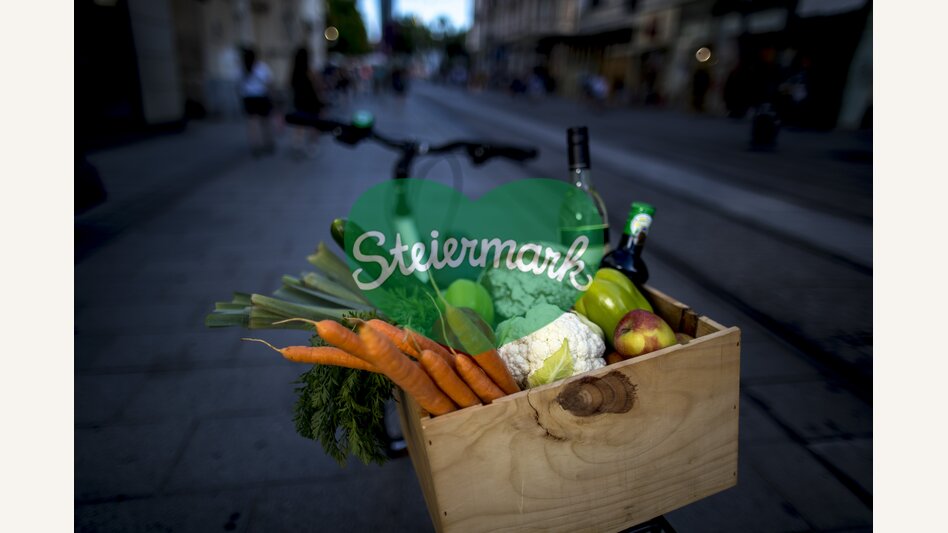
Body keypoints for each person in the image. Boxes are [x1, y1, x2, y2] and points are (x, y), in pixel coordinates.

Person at [288, 46, 326, 158]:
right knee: (314, 124)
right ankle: (312, 146)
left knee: (299, 124)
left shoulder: (293, 72)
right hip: (312, 102)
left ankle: (297, 145)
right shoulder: (310, 72)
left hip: (299, 101)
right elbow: (317, 87)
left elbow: (289, 86)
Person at [238, 47, 274, 155]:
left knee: (252, 123)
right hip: (261, 96)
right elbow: (269, 81)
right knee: (265, 122)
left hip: (248, 98)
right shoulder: (261, 67)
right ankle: (267, 142)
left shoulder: (242, 69)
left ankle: (255, 145)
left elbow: (238, 84)